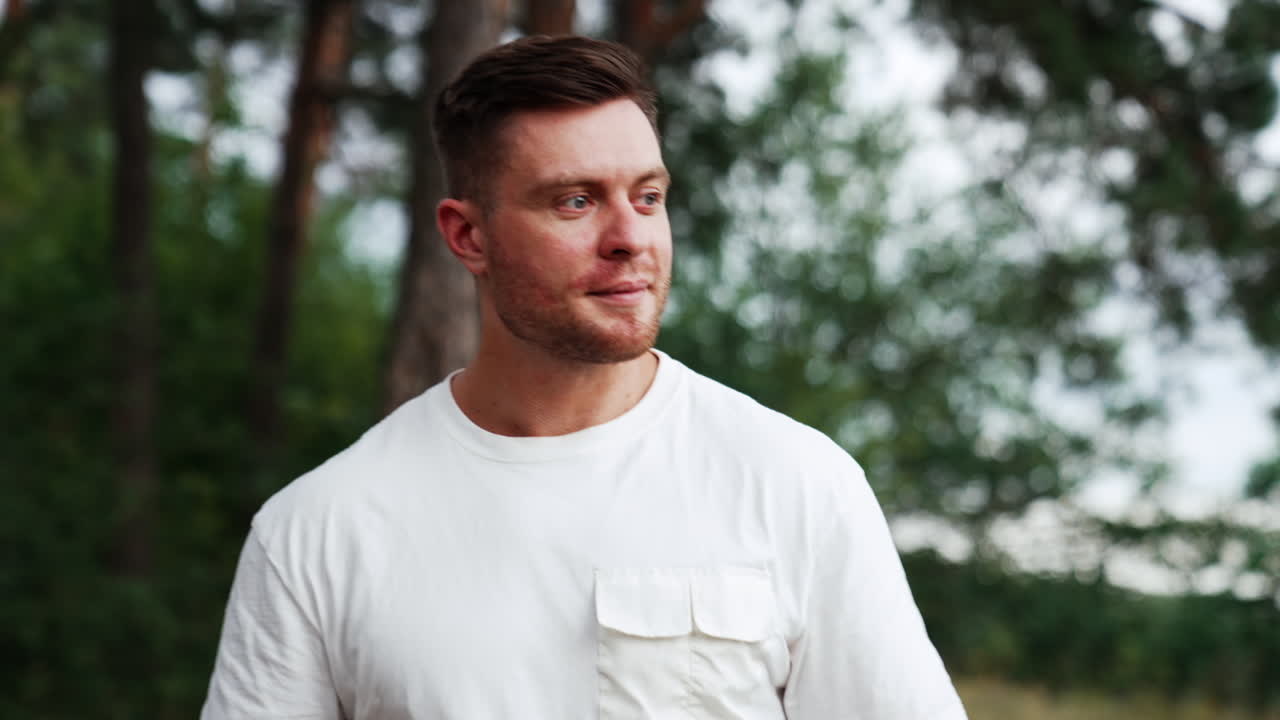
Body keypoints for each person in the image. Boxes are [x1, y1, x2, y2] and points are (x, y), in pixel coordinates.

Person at [202, 35, 968, 720]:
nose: (630, 237)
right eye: (575, 201)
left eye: (648, 196)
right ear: (468, 236)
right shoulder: (317, 532)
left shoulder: (798, 485)